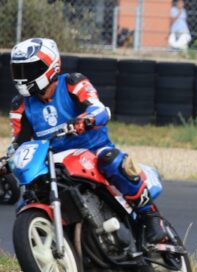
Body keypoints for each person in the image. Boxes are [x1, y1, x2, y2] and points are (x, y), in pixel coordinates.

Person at [5, 37, 168, 244]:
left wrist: (86, 119)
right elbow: (19, 142)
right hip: (53, 162)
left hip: (93, 151)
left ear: (51, 65)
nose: (22, 77)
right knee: (25, 201)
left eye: (28, 70)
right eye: (18, 71)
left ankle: (150, 217)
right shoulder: (20, 105)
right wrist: (8, 159)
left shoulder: (73, 82)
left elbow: (99, 108)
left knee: (112, 160)